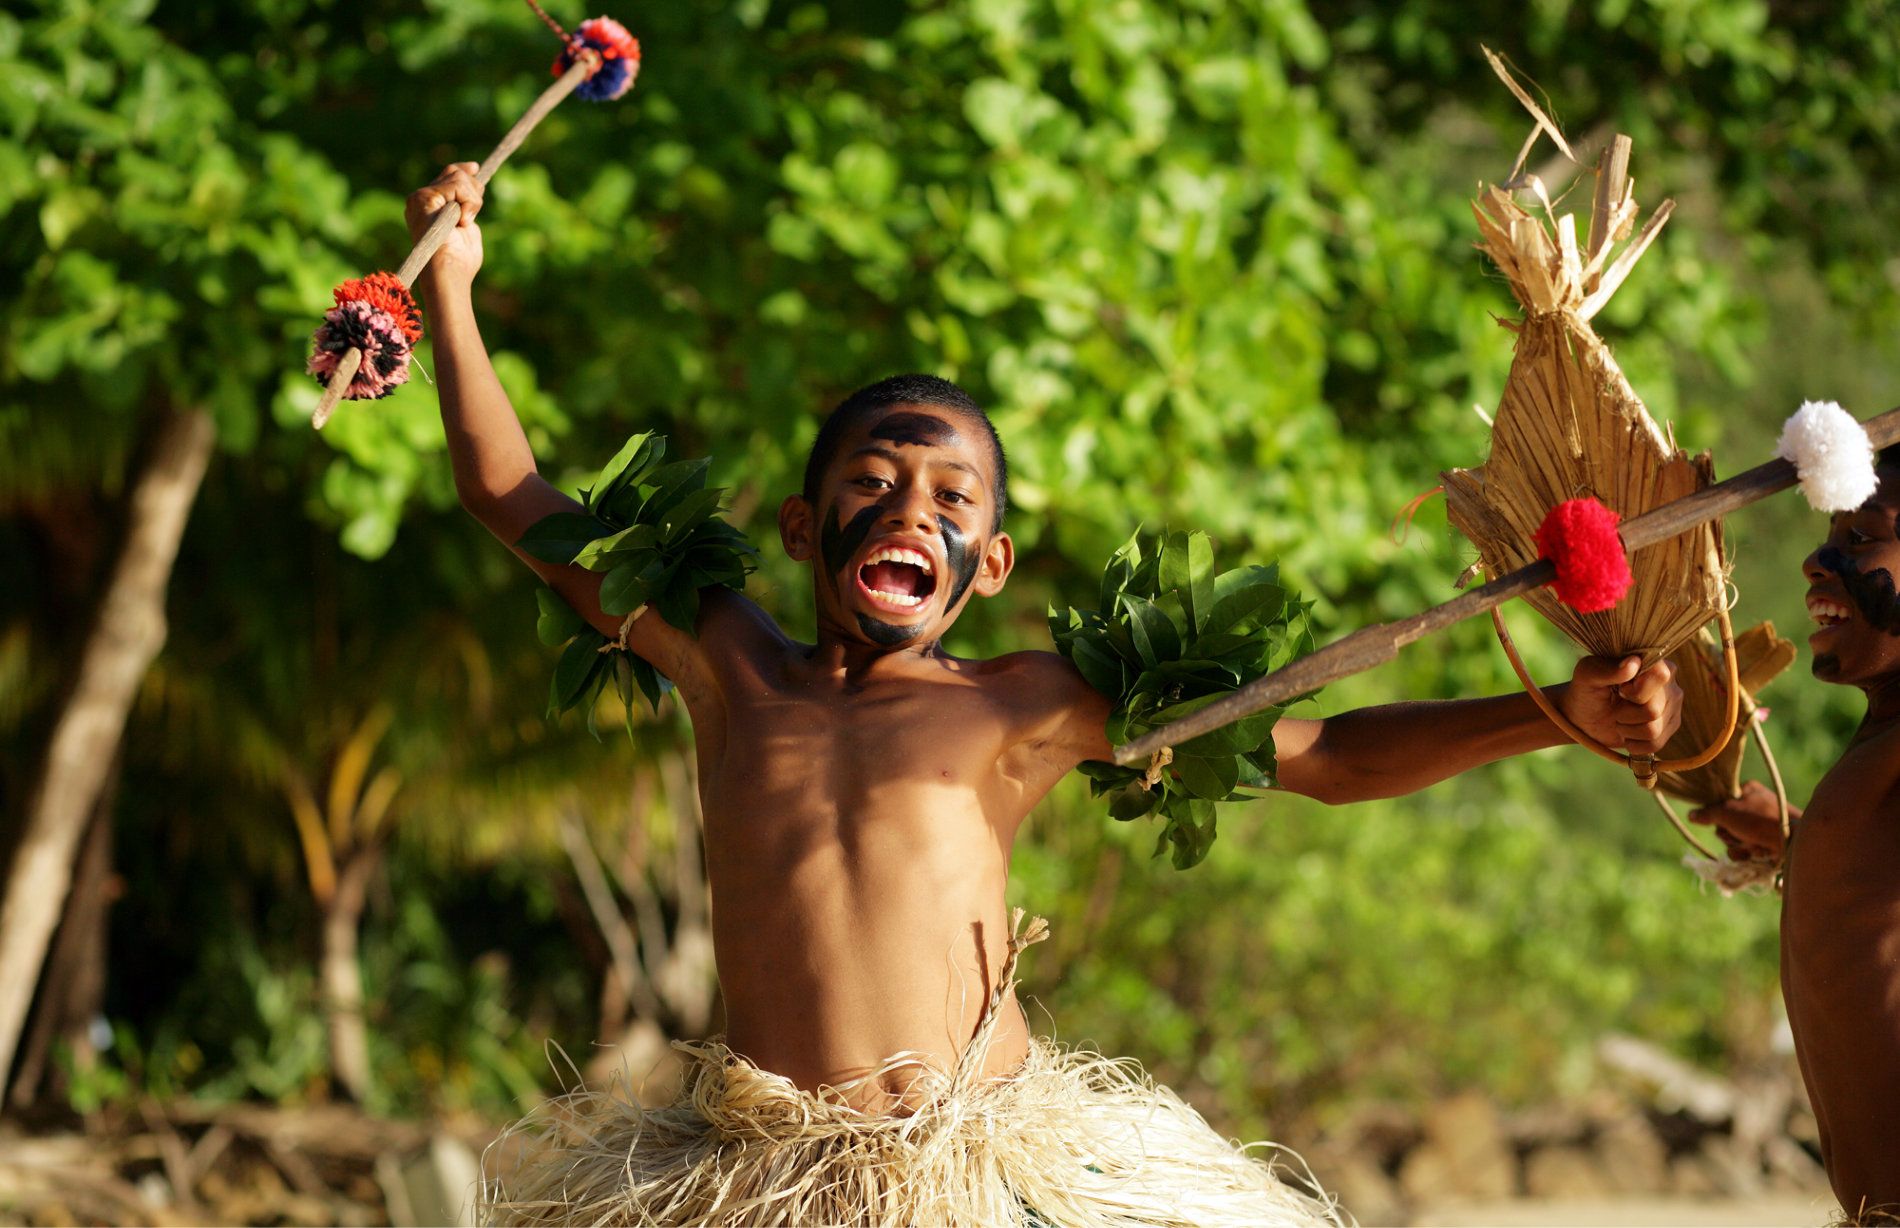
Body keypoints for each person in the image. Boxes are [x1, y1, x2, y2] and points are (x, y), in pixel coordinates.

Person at [407, 163, 1684, 1227]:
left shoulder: (1021, 704)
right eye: (878, 480)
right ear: (803, 525)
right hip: (768, 1171)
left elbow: (1329, 750)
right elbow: (512, 495)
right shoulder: (727, 663)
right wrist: (453, 290)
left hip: (973, 1168)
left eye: (953, 500)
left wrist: (1554, 712)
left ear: (992, 562)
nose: (913, 509)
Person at [1691, 454, 1900, 1223]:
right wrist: (1798, 845)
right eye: (1830, 534)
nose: (1820, 559)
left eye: (1864, 537)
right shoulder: (1879, 749)